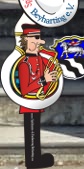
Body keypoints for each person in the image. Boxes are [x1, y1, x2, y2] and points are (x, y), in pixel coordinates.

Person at [16, 23, 59, 169]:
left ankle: (35, 159)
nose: (38, 42)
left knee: (35, 131)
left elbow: (52, 62)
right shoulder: (24, 64)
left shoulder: (40, 59)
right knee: (32, 131)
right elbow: (25, 89)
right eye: (34, 38)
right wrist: (43, 80)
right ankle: (32, 161)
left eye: (38, 38)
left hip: (39, 100)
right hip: (29, 102)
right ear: (26, 40)